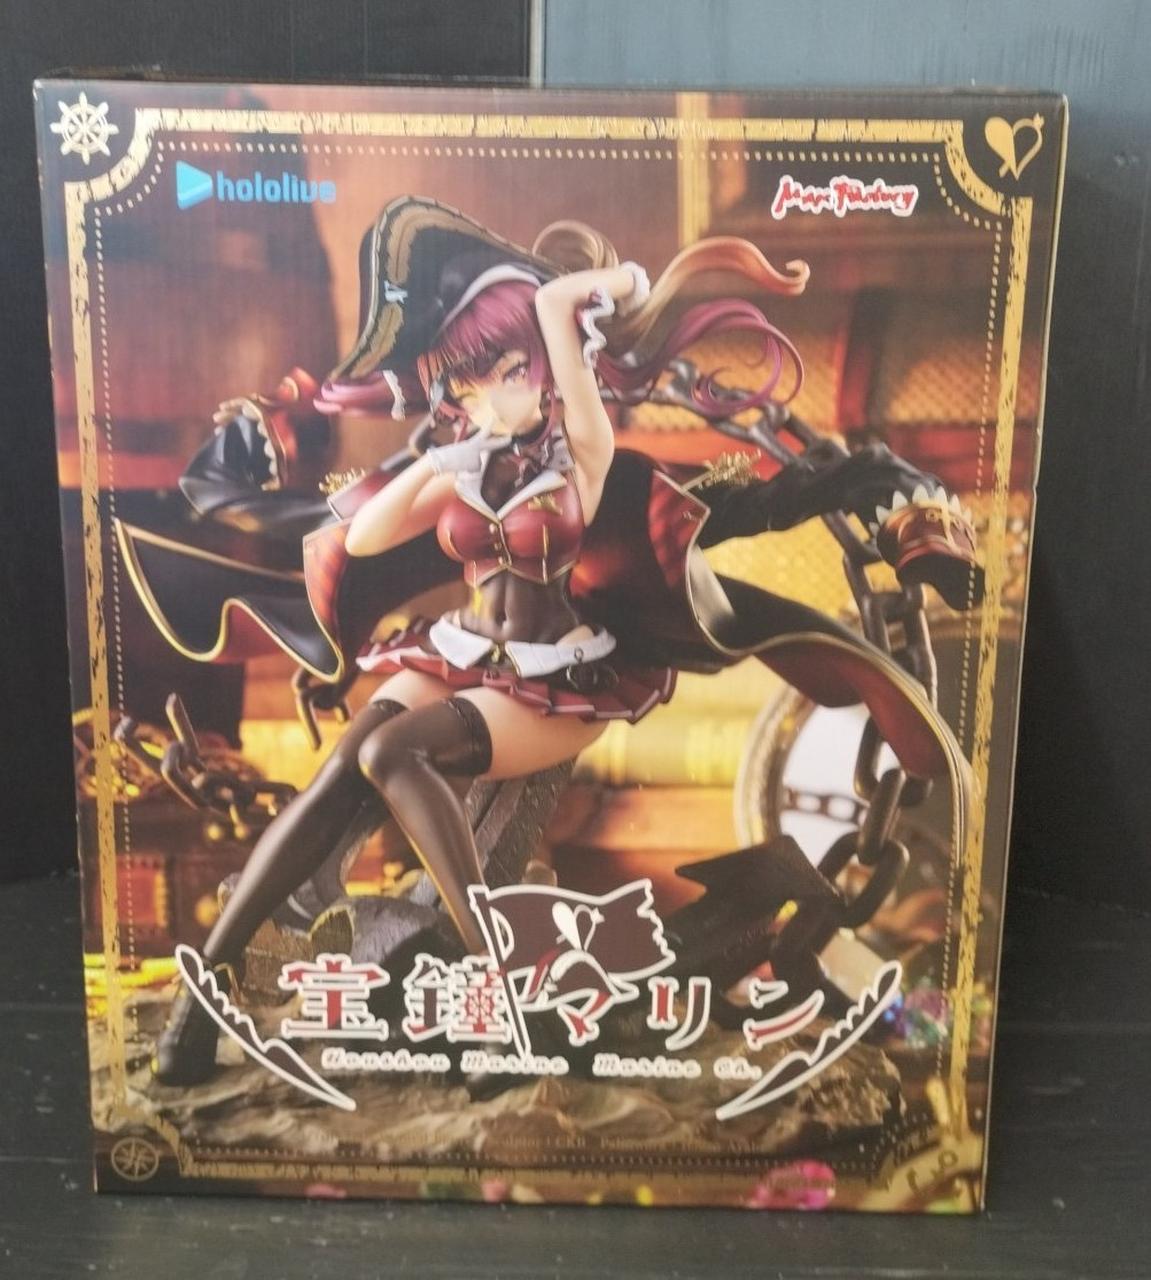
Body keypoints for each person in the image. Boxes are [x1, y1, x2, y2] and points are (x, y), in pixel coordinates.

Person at [116, 197, 981, 1085]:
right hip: (459, 654)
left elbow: (570, 309)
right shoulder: (464, 465)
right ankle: (202, 997)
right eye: (460, 384)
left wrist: (592, 291)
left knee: (391, 754)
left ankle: (497, 982)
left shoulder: (583, 458)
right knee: (346, 764)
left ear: (537, 369)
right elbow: (366, 539)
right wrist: (437, 459)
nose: (477, 397)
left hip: (554, 680)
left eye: (497, 372)